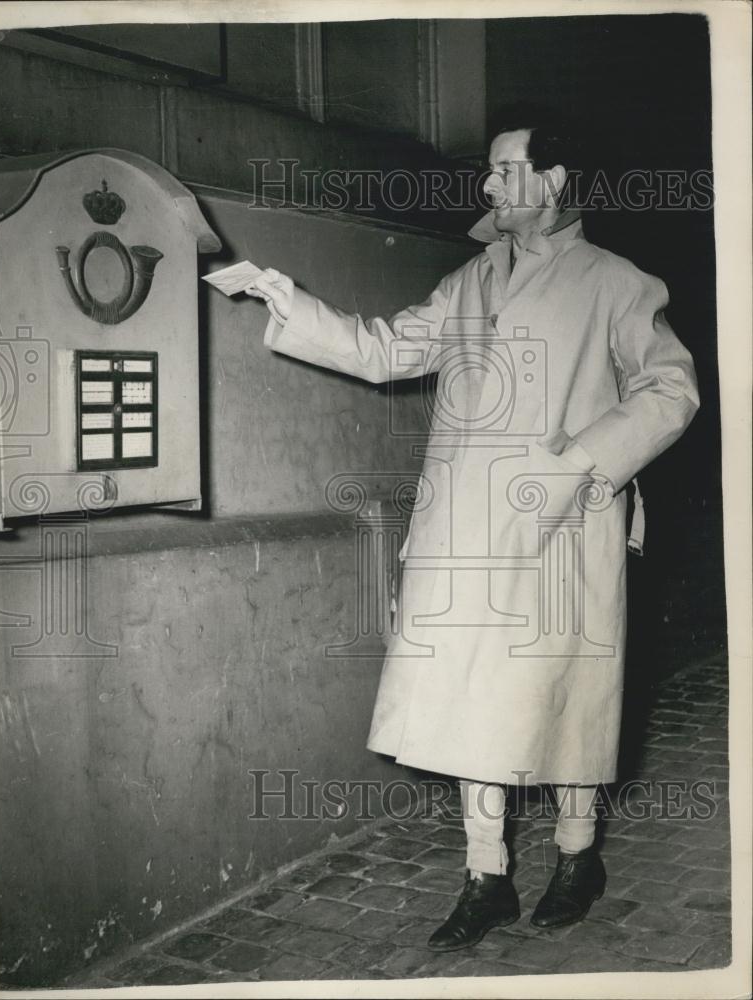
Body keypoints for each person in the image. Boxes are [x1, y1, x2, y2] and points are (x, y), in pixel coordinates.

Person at [246, 106, 699, 951]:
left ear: (552, 181)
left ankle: (576, 855)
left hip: (561, 527)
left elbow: (671, 392)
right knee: (468, 706)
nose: (487, 183)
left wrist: (578, 463)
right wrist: (291, 303)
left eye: (503, 168)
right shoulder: (467, 282)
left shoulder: (614, 281)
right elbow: (383, 350)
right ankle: (485, 875)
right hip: (461, 531)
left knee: (564, 701)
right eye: (488, 171)